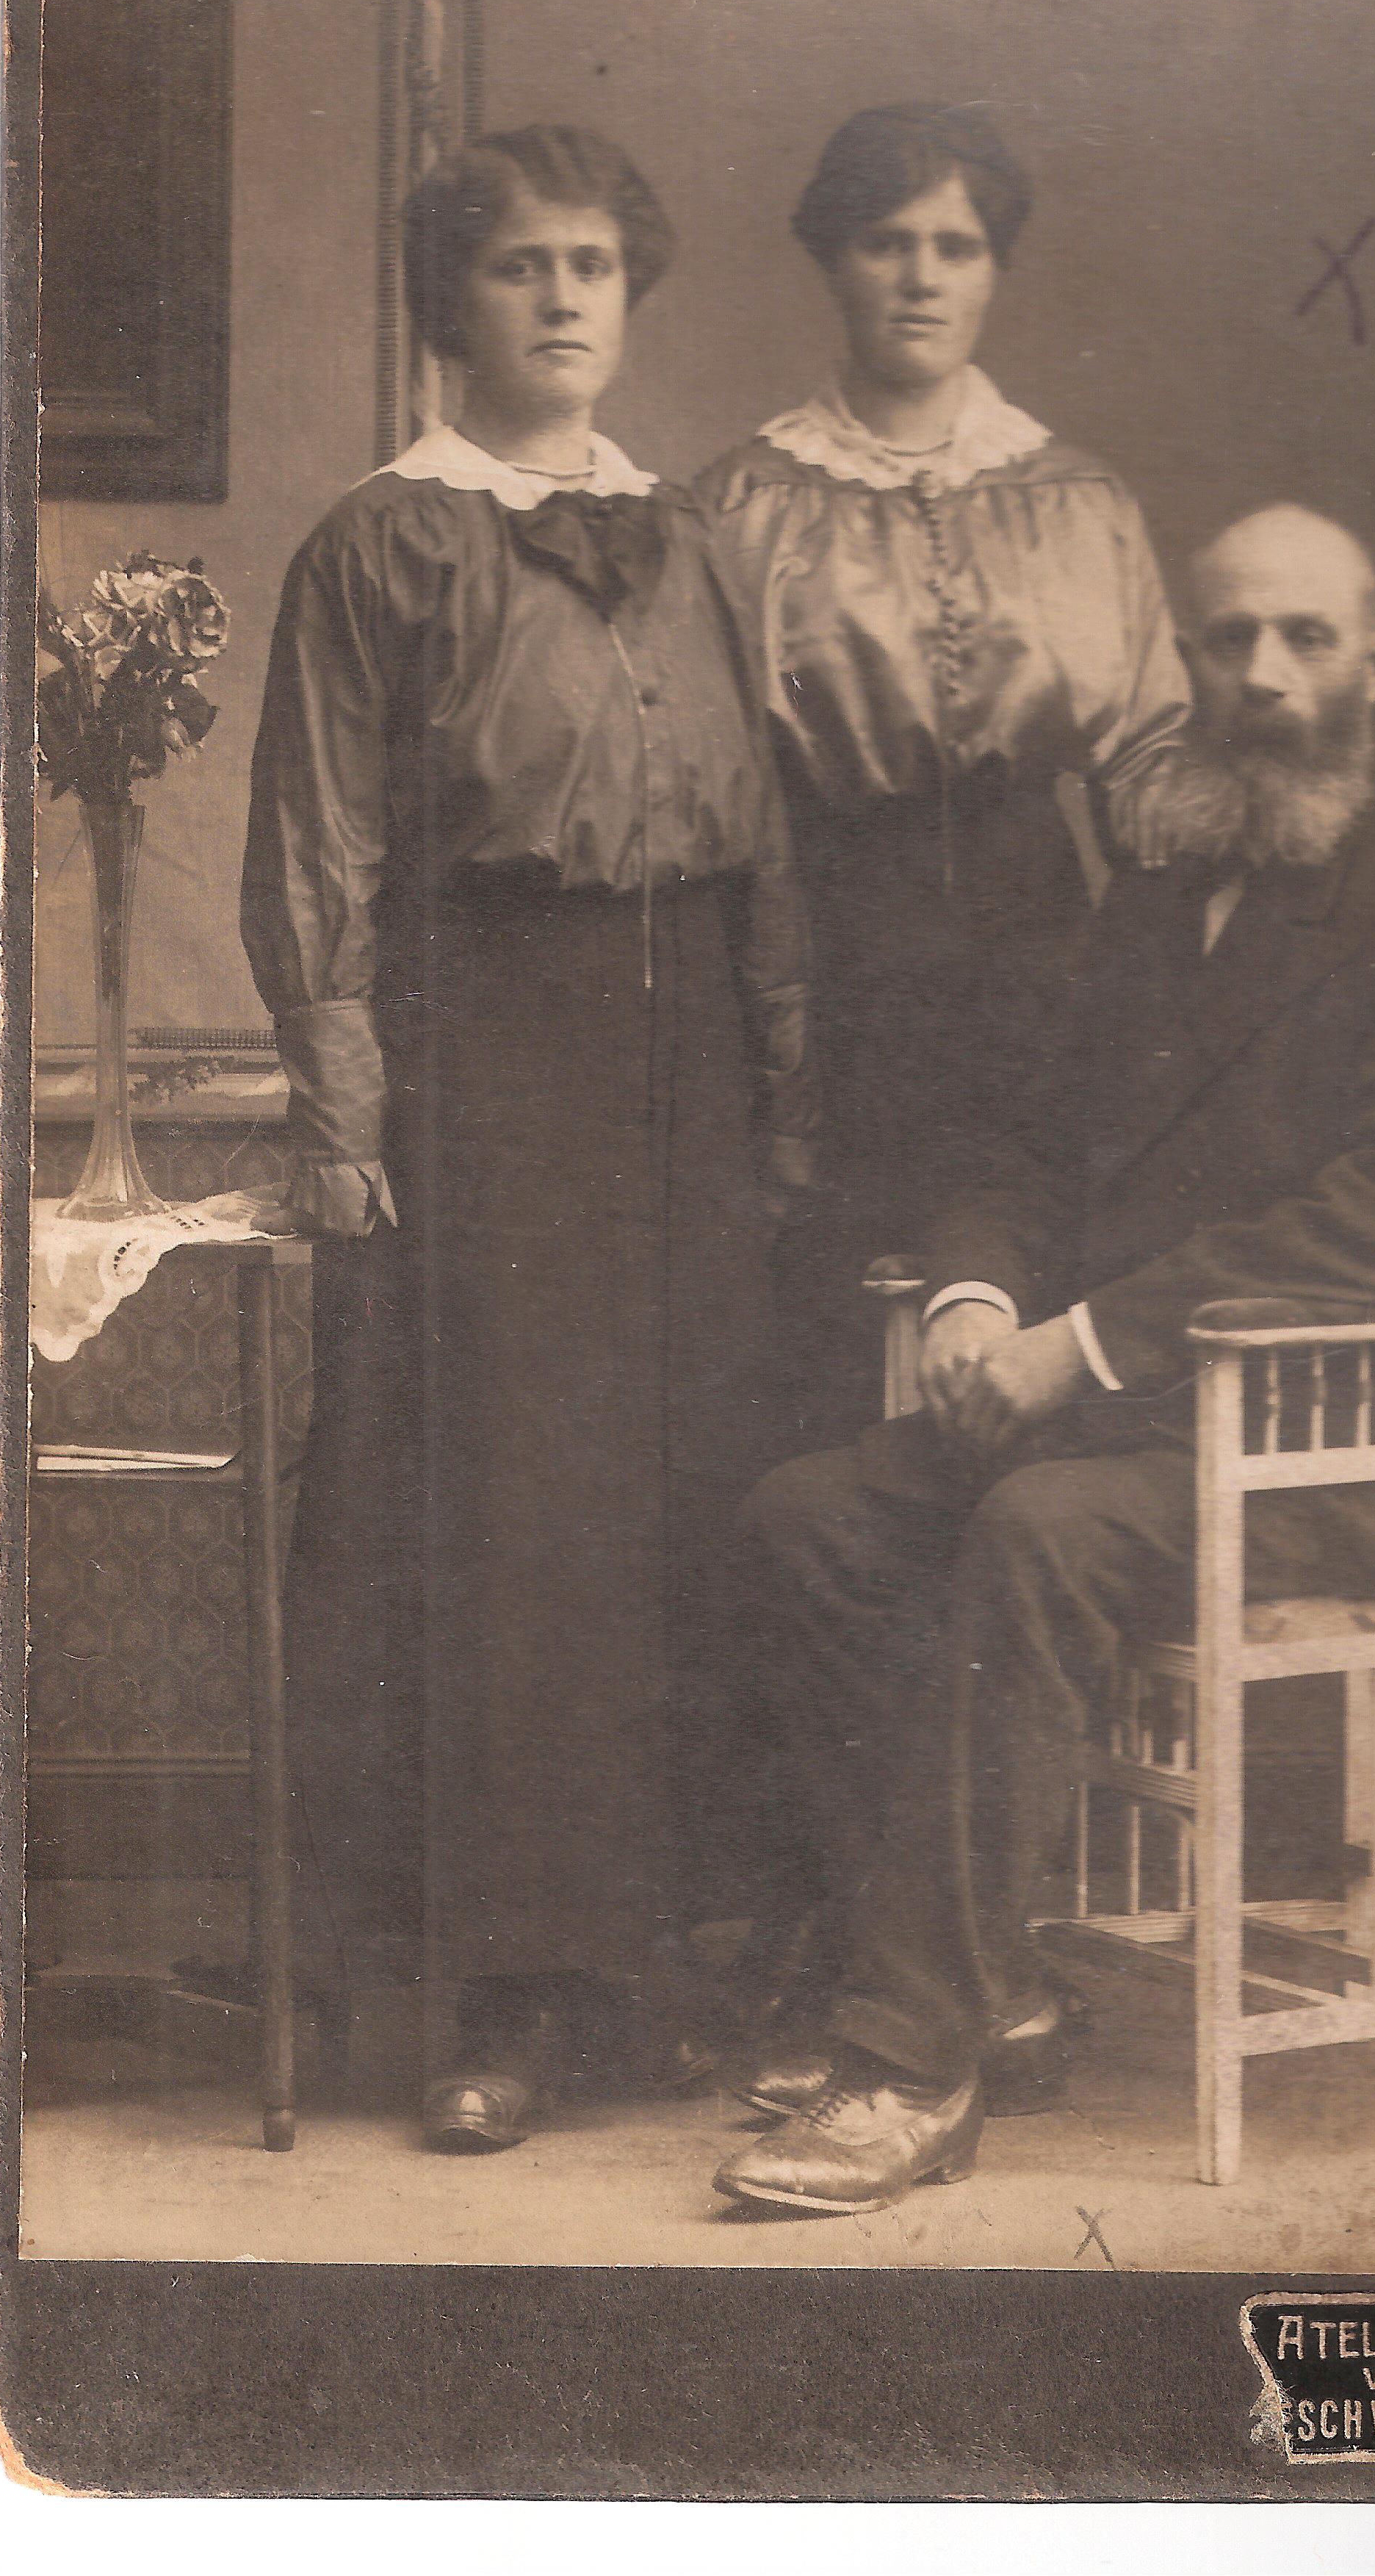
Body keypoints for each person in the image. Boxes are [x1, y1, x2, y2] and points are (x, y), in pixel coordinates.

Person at [713, 506, 1375, 2214]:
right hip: (1158, 1424)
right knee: (807, 1520)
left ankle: (909, 2060)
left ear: (1373, 664)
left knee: (1040, 1529)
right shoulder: (1156, 898)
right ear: (1184, 663)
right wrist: (974, 1297)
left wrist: (1085, 1344)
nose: (1263, 674)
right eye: (1227, 638)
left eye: (1303, 638)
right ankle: (992, 1985)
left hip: (1362, 1438)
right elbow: (1022, 1144)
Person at [241, 125, 815, 2154]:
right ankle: (493, 1992)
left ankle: (640, 1968)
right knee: (508, 1523)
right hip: (486, 1051)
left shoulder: (695, 535)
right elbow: (318, 837)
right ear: (448, 300)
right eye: (518, 265)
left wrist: (779, 1092)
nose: (564, 298)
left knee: (672, 1497)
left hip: (686, 1066)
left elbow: (763, 842)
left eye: (592, 265)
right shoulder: (381, 541)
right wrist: (345, 1100)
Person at [699, 104, 1191, 1439]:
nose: (921, 278)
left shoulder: (1080, 501)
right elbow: (717, 782)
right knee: (827, 1342)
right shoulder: (741, 506)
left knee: (1026, 1287)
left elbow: (1149, 759)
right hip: (830, 951)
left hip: (1044, 950)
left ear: (993, 268)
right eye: (885, 242)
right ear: (830, 259)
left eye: (956, 247)